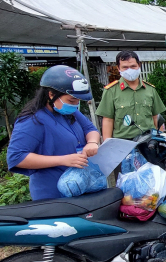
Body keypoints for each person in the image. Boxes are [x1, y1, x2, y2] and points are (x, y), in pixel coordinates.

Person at [6, 65, 100, 200]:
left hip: (80, 188)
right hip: (52, 194)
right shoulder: (32, 120)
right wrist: (64, 160)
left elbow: (90, 129)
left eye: (78, 101)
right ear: (51, 94)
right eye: (71, 100)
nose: (75, 104)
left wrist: (92, 143)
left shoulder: (69, 112)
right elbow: (16, 157)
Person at [96, 51, 166, 141]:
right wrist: (108, 145)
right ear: (118, 68)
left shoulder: (150, 89)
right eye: (125, 67)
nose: (130, 70)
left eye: (133, 66)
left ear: (139, 65)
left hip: (149, 141)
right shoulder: (111, 91)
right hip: (123, 143)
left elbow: (156, 117)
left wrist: (161, 139)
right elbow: (108, 120)